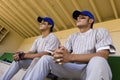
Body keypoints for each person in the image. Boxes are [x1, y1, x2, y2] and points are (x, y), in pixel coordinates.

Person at [22, 10, 116, 80]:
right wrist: (59, 54)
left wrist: (70, 57)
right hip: (74, 69)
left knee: (98, 60)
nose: (78, 19)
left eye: (82, 17)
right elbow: (65, 53)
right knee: (45, 58)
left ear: (90, 21)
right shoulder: (72, 36)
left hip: (91, 69)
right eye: (77, 18)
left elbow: (103, 55)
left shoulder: (100, 31)